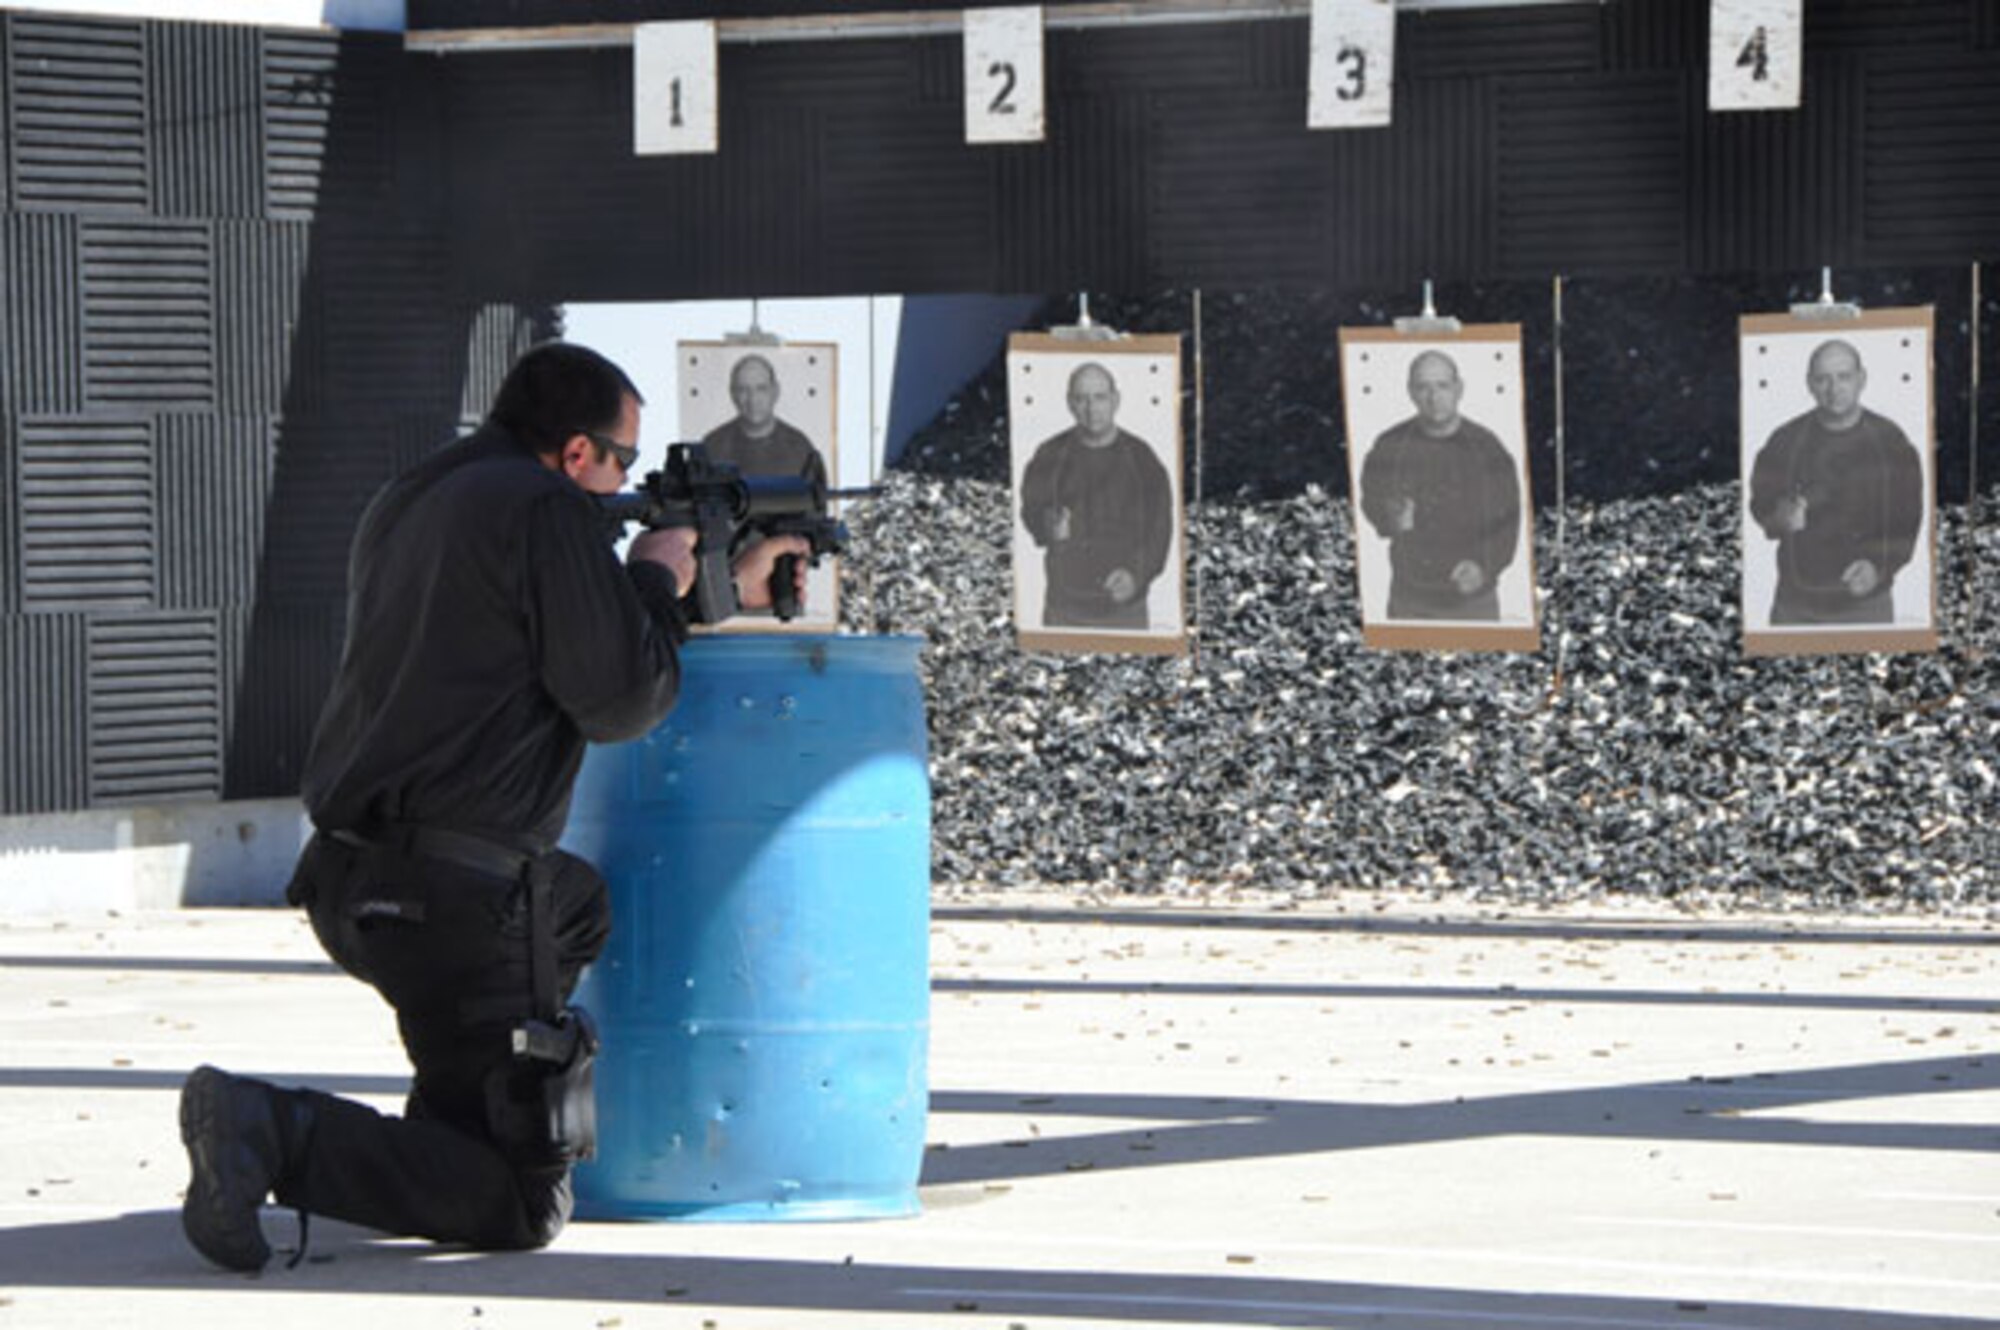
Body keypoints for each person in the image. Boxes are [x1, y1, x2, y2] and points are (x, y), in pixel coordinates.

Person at [176, 341, 809, 1273]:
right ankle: (268, 1130)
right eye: (623, 462)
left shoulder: (418, 496)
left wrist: (666, 589)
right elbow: (619, 699)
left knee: (574, 904)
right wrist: (657, 577)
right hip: (453, 898)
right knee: (518, 1205)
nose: (624, 484)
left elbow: (520, 644)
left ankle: (450, 1122)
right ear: (576, 454)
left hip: (353, 876)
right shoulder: (547, 510)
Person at [1747, 338, 1924, 625]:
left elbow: (1907, 520)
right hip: (1795, 606)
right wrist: (1778, 517)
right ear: (1809, 384)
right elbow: (1762, 507)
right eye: (1822, 379)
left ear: (1861, 379)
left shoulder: (1892, 443)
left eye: (1844, 377)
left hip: (1866, 606)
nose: (1834, 389)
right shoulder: (1784, 441)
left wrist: (1879, 567)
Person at [1356, 350, 1523, 621]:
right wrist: (1388, 517)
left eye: (1443, 386)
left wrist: (1485, 567)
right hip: (1409, 599)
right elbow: (1369, 498)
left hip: (1472, 600)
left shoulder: (1488, 449)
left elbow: (1508, 520)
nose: (1434, 398)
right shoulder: (1389, 446)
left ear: (1459, 389)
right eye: (1423, 387)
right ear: (1410, 392)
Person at [1018, 361, 1175, 629]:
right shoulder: (1049, 455)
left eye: (1100, 398)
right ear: (1069, 403)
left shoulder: (1142, 459)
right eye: (1082, 399)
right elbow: (1030, 510)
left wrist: (1137, 575)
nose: (1091, 409)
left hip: (1125, 610)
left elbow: (1160, 530)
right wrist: (1046, 525)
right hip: (1064, 607)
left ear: (1115, 400)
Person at [700, 353, 828, 491]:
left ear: (775, 391)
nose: (753, 399)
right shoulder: (711, 447)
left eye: (761, 389)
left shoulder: (800, 448)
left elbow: (817, 508)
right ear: (732, 394)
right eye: (743, 390)